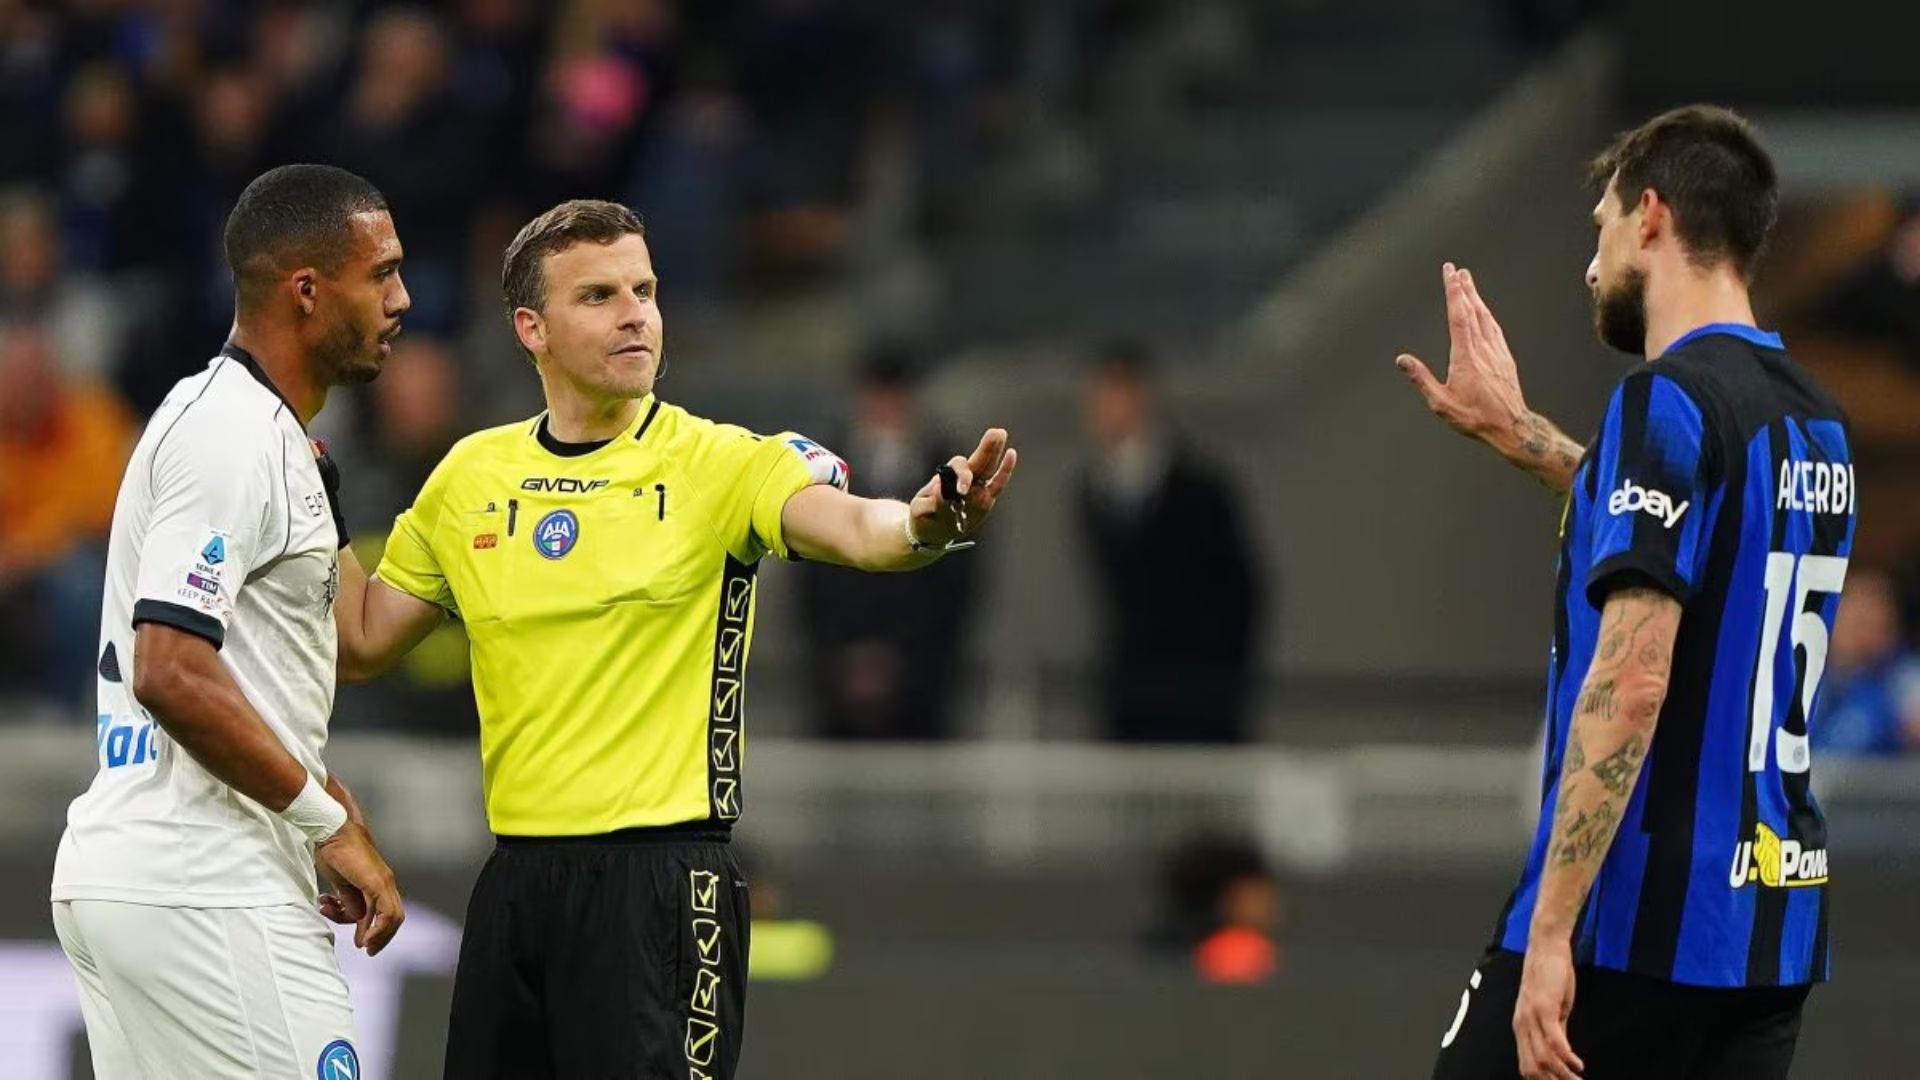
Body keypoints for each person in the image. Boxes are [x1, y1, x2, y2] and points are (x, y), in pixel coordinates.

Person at [326, 199, 1018, 1080]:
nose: (635, 315)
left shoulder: (720, 463)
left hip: (662, 885)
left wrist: (923, 523)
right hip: (515, 885)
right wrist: (319, 510)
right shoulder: (472, 477)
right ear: (532, 329)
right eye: (600, 295)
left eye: (645, 291)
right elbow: (363, 640)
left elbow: (860, 529)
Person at [1399, 106, 1855, 1079]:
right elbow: (1699, 537)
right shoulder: (1815, 422)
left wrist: (1551, 931)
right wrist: (1522, 434)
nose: (1590, 264)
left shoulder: (1667, 399)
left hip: (1634, 925)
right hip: (1769, 931)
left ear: (1651, 216)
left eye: (1603, 226)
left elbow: (1636, 677)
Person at [49, 164, 410, 1079]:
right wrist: (323, 821)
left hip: (168, 873)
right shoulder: (230, 436)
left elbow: (343, 642)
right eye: (381, 274)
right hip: (207, 883)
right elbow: (168, 669)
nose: (401, 299)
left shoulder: (275, 437)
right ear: (306, 291)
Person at [1077, 342, 1263, 742]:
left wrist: (1221, 686)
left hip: (1197, 700)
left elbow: (1241, 592)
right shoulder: (1092, 492)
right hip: (1131, 701)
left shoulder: (1202, 489)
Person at [799, 350, 978, 739]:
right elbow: (811, 573)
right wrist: (845, 653)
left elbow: (958, 580)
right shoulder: (823, 469)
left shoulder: (948, 470)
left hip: (925, 684)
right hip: (837, 683)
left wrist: (905, 659)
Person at [0, 322, 134, 710]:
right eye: (11, 379)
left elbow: (98, 507)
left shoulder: (93, 416)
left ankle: (63, 707)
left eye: (30, 378)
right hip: (13, 561)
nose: (20, 390)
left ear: (51, 379)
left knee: (80, 583)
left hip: (74, 556)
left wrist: (24, 552)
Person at [1809, 569, 1920, 756]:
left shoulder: (1905, 677)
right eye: (1856, 621)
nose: (1862, 635)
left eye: (1872, 622)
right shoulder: (1811, 676)